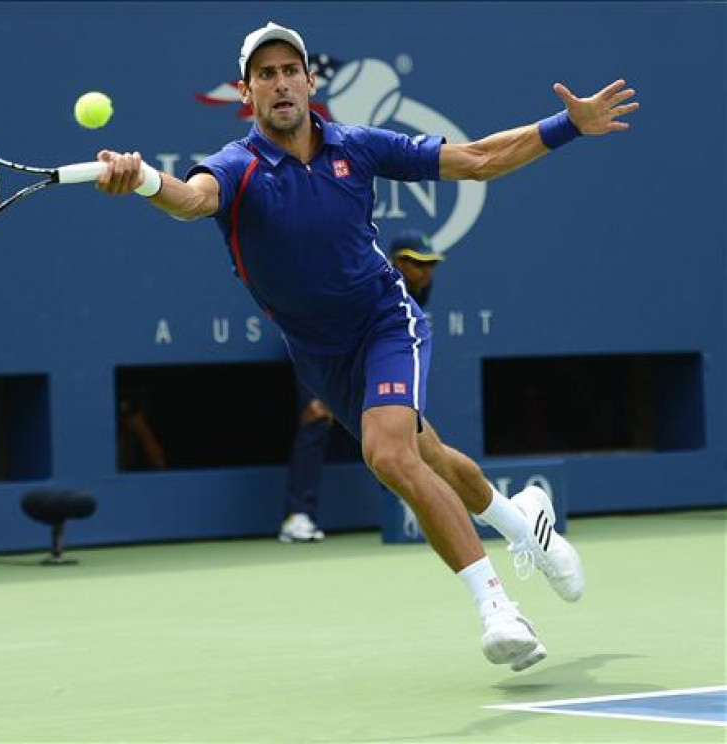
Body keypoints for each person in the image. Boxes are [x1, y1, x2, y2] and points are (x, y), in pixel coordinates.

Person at [94, 21, 638, 671]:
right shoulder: (235, 168)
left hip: (385, 322)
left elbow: (478, 160)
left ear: (309, 80)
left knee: (388, 453)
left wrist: (567, 125)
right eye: (264, 75)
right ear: (247, 94)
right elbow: (189, 200)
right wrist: (146, 181)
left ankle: (497, 607)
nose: (280, 82)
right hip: (321, 356)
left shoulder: (358, 146)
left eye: (289, 69)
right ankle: (526, 523)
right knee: (429, 455)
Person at [279, 228, 444, 544]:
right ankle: (297, 515)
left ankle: (404, 506)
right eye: (418, 264)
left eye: (430, 265)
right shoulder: (364, 279)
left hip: (370, 353)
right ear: (398, 263)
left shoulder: (419, 290)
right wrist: (322, 394)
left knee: (398, 426)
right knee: (315, 418)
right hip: (318, 346)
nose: (426, 272)